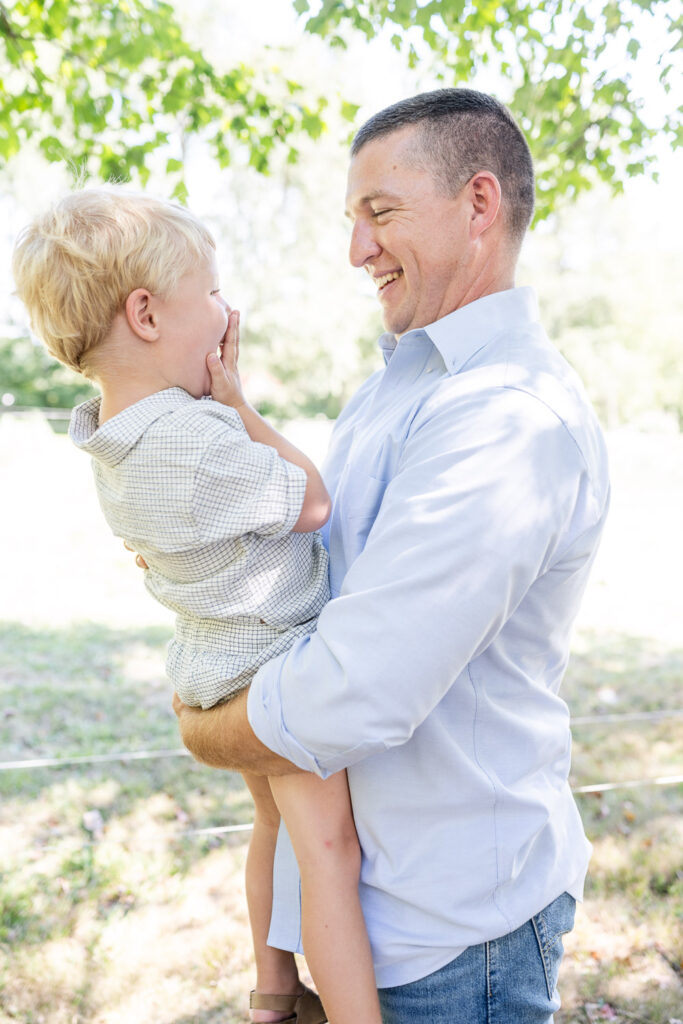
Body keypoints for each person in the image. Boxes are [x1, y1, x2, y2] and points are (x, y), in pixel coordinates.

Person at [172, 88, 611, 1024]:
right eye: (351, 219)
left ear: (479, 206)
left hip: (449, 939)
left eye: (380, 213)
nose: (355, 249)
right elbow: (316, 579)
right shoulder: (400, 387)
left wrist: (203, 724)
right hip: (360, 920)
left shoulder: (506, 419)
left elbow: (356, 687)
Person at [11, 187, 384, 1024]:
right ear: (145, 313)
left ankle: (272, 992)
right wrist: (239, 403)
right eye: (211, 291)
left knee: (270, 829)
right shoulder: (198, 439)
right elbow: (314, 503)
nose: (227, 311)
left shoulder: (109, 435)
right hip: (272, 662)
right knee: (327, 849)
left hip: (212, 665)